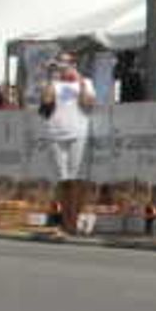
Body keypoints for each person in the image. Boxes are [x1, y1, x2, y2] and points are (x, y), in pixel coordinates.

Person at [33, 51, 96, 233]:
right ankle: (66, 219)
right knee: (63, 180)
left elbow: (88, 103)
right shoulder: (53, 84)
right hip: (56, 133)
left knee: (76, 179)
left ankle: (72, 221)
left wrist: (80, 81)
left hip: (78, 132)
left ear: (74, 64)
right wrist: (50, 77)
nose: (63, 66)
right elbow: (46, 100)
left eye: (66, 63)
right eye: (60, 62)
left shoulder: (86, 83)